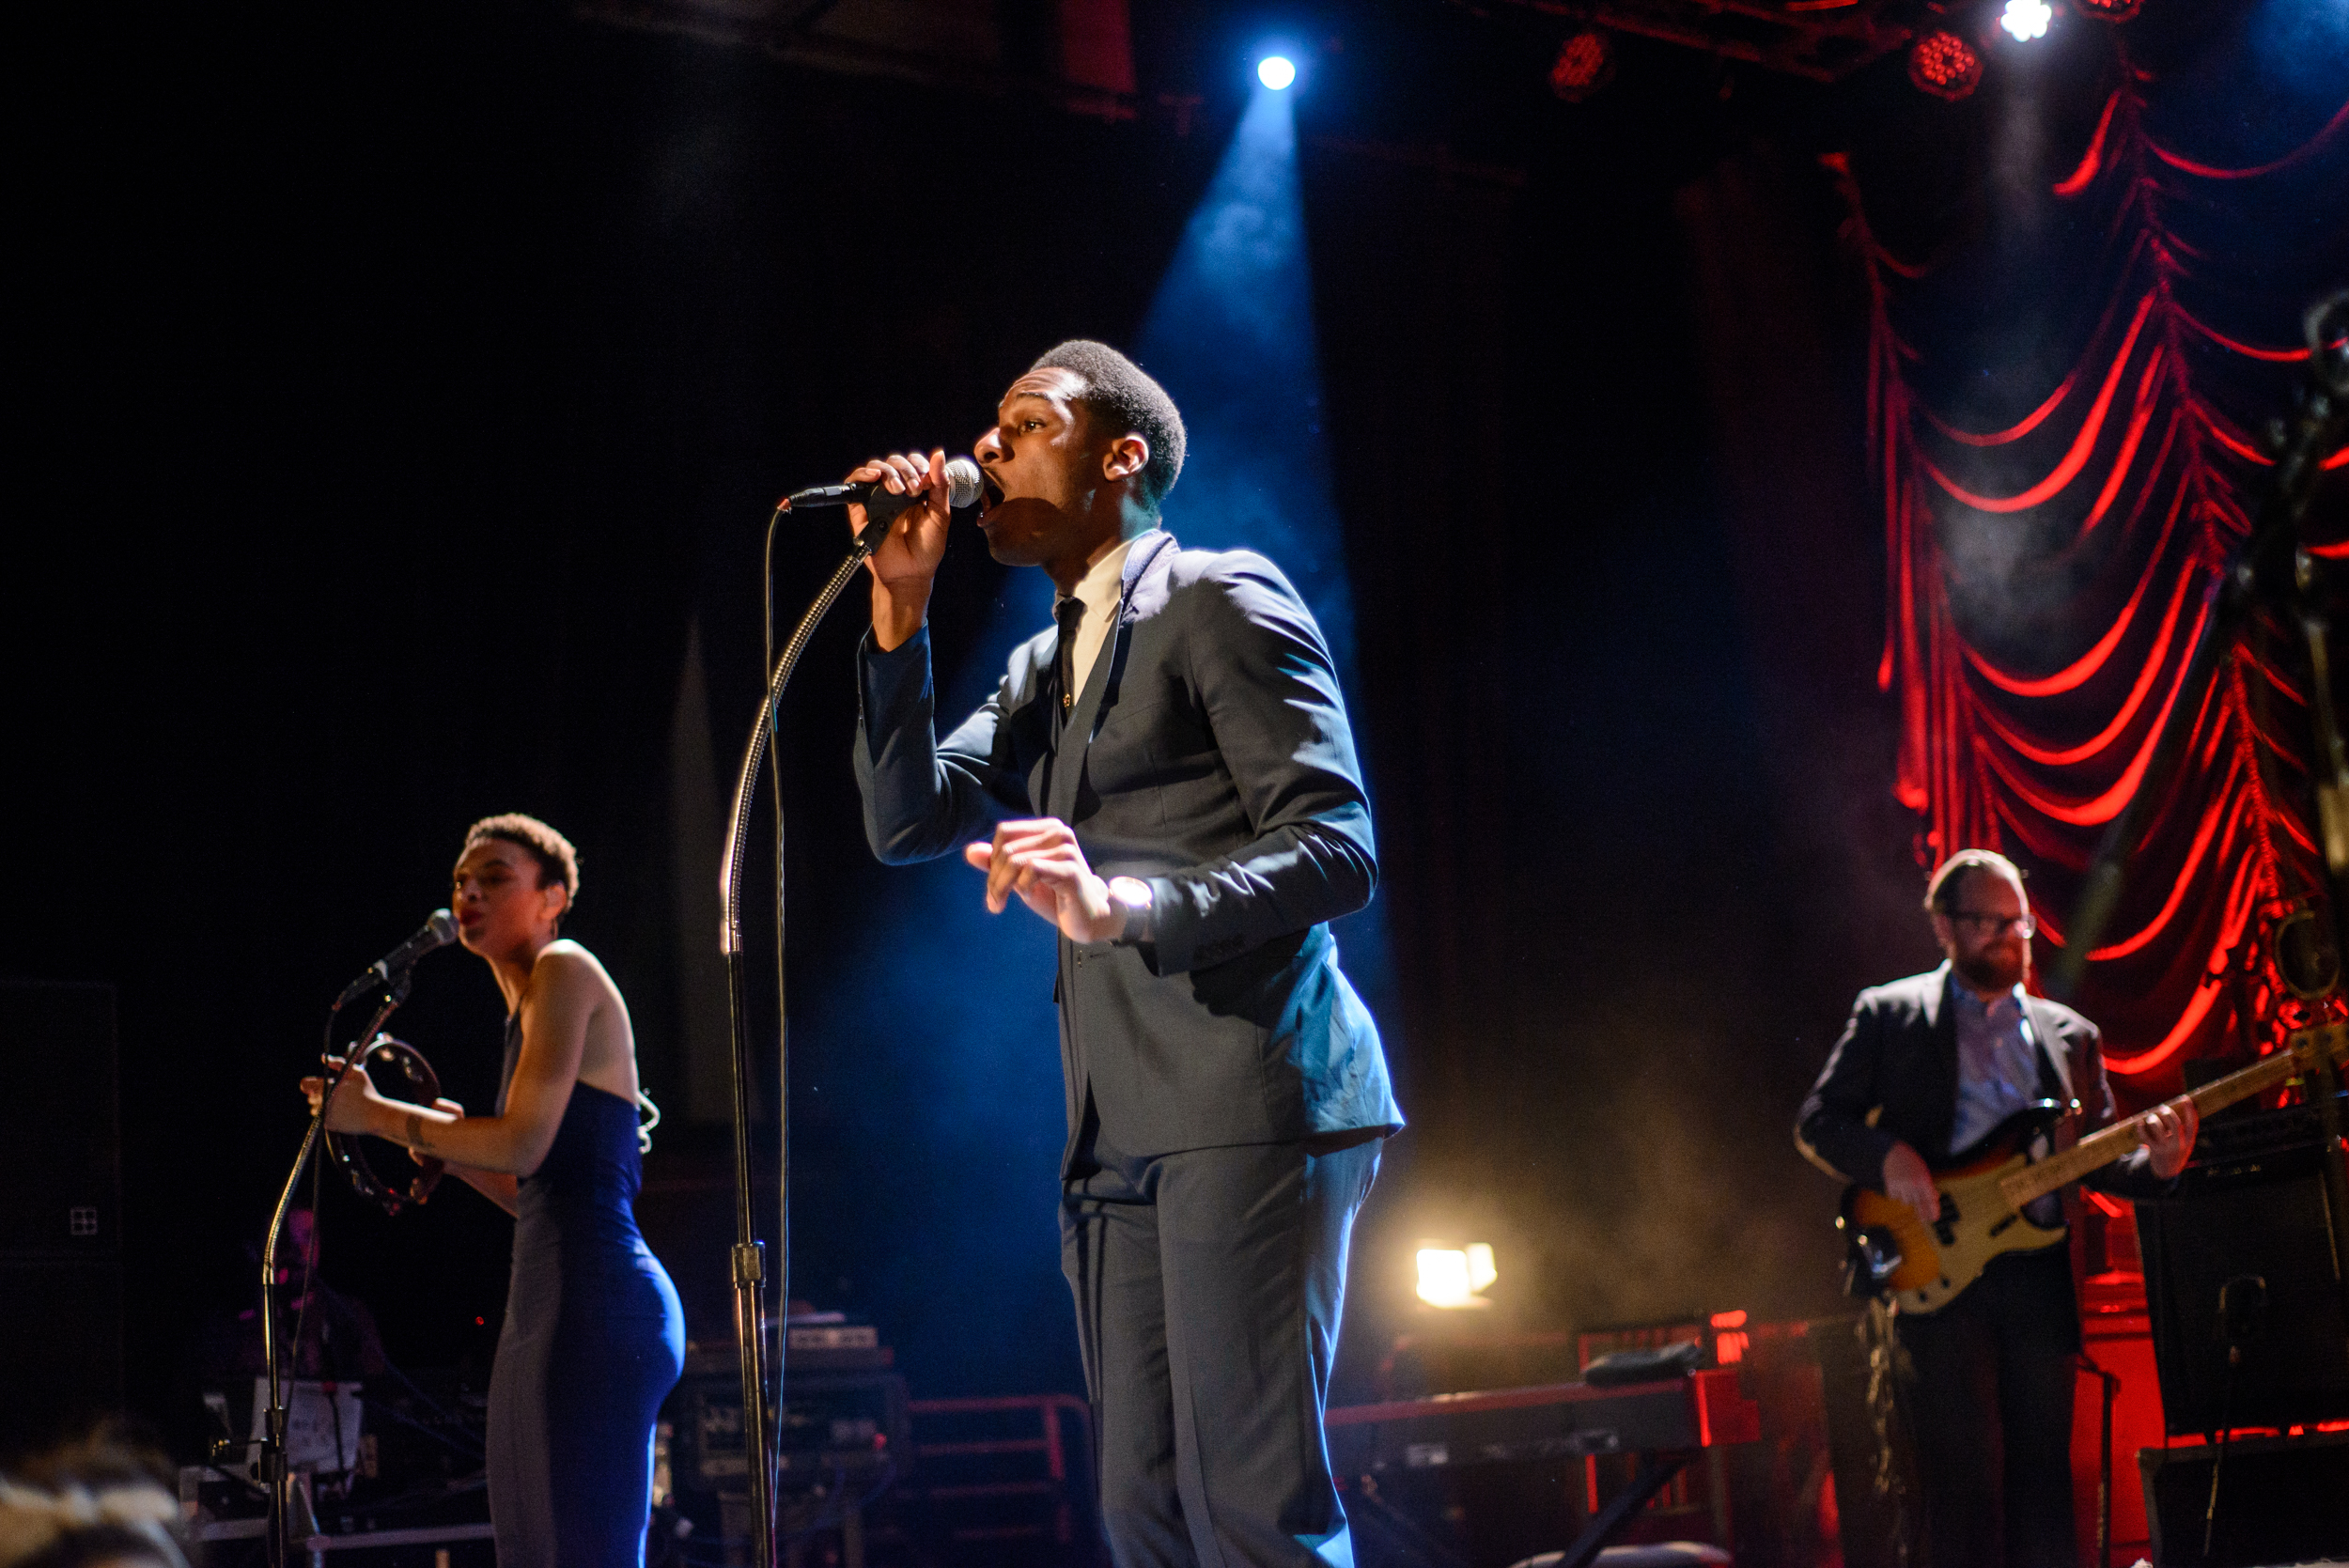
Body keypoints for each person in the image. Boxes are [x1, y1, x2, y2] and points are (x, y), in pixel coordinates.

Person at [848, 340, 1402, 1567]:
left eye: (1025, 425)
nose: (986, 448)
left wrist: (1126, 904)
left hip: (1248, 1089)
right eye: (986, 428)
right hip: (1114, 1131)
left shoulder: (1218, 593)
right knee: (1143, 1515)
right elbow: (905, 822)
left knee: (1250, 1509)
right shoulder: (1040, 665)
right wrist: (897, 618)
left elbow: (1337, 847)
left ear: (1121, 456)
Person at [1796, 848, 2197, 1568]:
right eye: (1990, 922)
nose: (2011, 936)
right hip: (1936, 1266)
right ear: (1944, 925)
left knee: (2043, 1479)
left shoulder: (2070, 1035)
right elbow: (1820, 1120)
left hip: (2037, 1274)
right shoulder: (1889, 1014)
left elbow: (2098, 1157)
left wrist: (2158, 1167)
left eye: (2020, 923)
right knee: (1956, 1477)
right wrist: (1890, 1157)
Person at [304, 814, 684, 1568]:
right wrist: (450, 1153)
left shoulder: (564, 969)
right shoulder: (528, 1007)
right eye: (460, 881)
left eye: (495, 877)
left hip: (594, 1295)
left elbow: (522, 1140)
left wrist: (380, 1116)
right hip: (556, 1294)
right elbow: (532, 1183)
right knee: (537, 1548)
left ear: (552, 898)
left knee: (581, 1549)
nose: (469, 892)